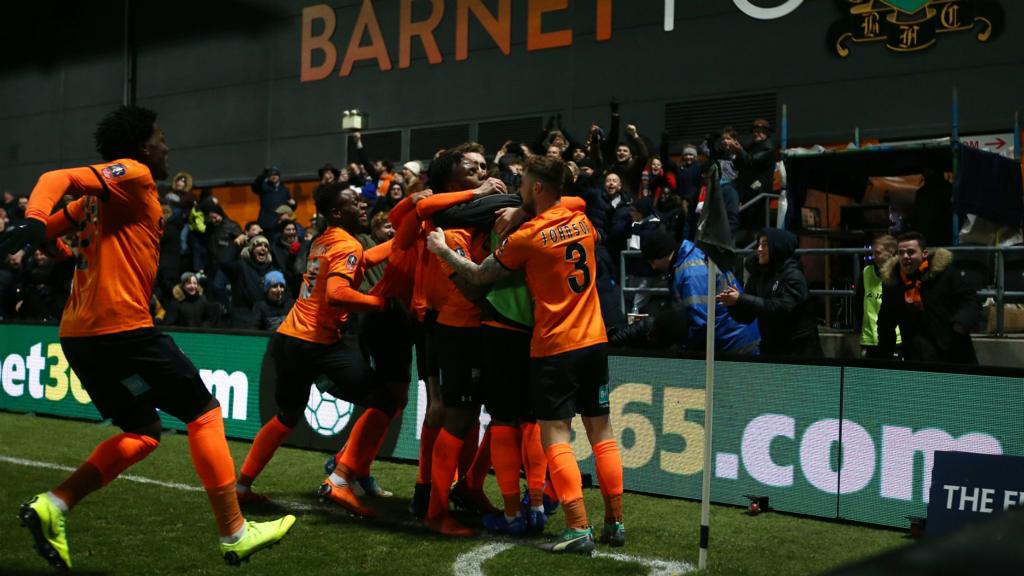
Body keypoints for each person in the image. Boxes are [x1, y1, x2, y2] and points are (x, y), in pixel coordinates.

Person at [2, 105, 293, 570]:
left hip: (80, 335)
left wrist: (48, 238)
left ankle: (53, 505)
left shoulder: (97, 203)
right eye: (161, 137)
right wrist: (36, 218)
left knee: (143, 431)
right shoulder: (133, 175)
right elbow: (58, 177)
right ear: (141, 145)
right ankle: (235, 531)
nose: (167, 146)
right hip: (123, 328)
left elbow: (53, 235)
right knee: (204, 413)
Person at [427, 155, 625, 554]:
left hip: (554, 345)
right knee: (602, 434)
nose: (517, 192)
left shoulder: (528, 236)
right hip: (595, 341)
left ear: (536, 188)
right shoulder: (584, 224)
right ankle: (614, 521)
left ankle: (577, 527)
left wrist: (442, 251)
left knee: (554, 435)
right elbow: (577, 209)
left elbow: (481, 276)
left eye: (523, 186)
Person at [235, 183, 397, 518]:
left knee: (287, 417)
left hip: (288, 339)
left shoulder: (323, 240)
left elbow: (361, 260)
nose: (364, 205)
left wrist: (401, 244)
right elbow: (337, 294)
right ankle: (340, 477)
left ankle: (241, 487)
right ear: (338, 212)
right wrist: (379, 303)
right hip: (316, 344)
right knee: (385, 401)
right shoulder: (345, 243)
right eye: (355, 202)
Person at [636, 230, 760, 354]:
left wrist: (685, 349)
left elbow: (701, 322)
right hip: (736, 336)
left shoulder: (691, 273)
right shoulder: (692, 256)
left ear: (663, 254)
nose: (653, 267)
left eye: (652, 262)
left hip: (734, 342)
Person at [876, 231, 981, 363]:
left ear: (924, 254)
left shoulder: (945, 274)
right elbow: (885, 324)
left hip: (953, 354)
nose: (905, 257)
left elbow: (970, 301)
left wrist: (959, 325)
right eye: (901, 253)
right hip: (916, 358)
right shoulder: (894, 284)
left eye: (911, 252)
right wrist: (883, 358)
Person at [717, 228, 822, 357]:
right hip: (771, 350)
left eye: (765, 245)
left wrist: (741, 299)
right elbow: (747, 317)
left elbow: (780, 309)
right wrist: (733, 304)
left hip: (800, 352)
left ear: (778, 247)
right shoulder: (758, 275)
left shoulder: (794, 276)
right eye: (758, 244)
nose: (759, 249)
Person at [854, 234, 901, 358]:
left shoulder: (900, 274)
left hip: (894, 339)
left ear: (891, 252)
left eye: (877, 253)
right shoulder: (866, 273)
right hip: (869, 339)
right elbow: (858, 305)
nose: (873, 257)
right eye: (872, 253)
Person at [251, 166, 292, 232]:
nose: (273, 176)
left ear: (279, 176)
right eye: (271, 175)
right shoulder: (264, 187)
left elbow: (290, 205)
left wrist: (294, 205)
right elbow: (255, 186)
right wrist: (263, 175)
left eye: (275, 174)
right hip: (266, 223)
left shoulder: (284, 189)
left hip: (280, 223)